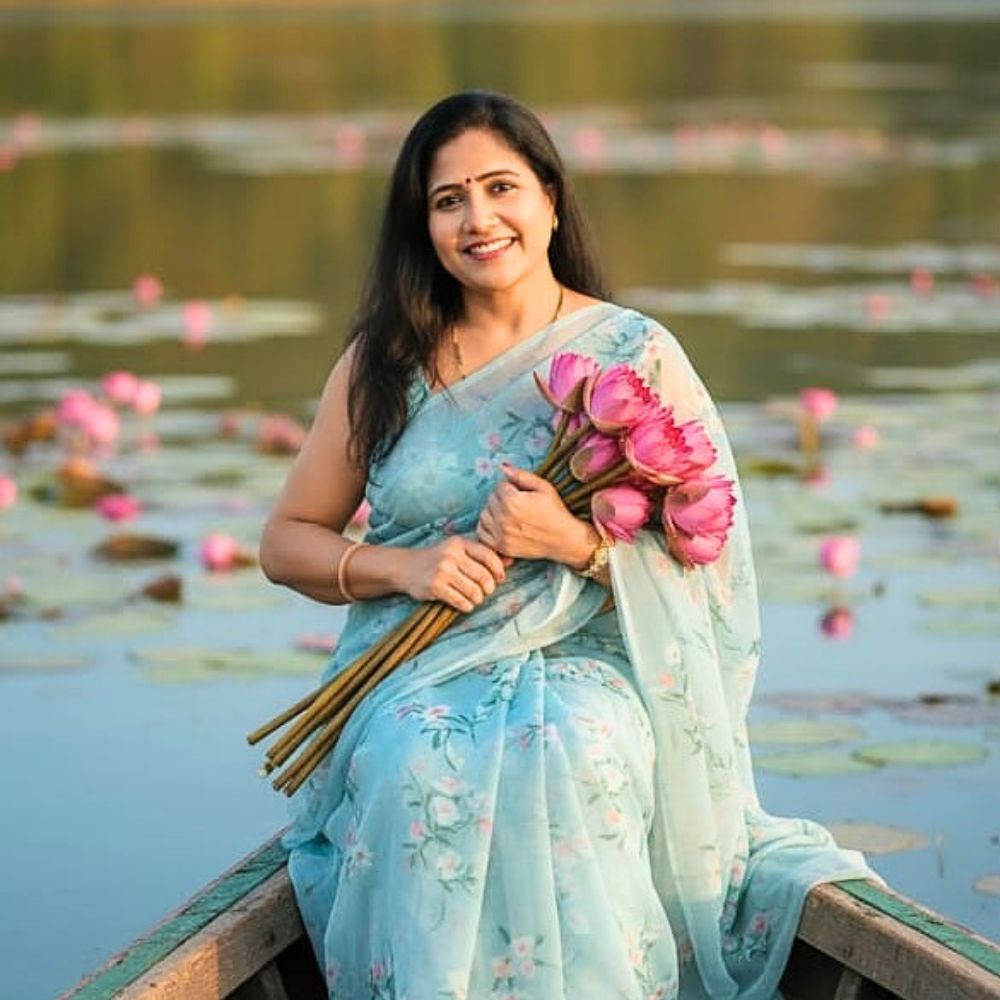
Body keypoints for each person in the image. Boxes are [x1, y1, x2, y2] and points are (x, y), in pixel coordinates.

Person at [259, 91, 876, 1000]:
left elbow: (715, 571)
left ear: (550, 199)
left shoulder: (635, 355)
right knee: (422, 758)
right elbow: (285, 541)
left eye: (501, 187)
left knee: (571, 746)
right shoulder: (385, 361)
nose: (479, 219)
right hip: (417, 668)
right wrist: (404, 566)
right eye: (448, 200)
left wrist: (578, 542)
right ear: (422, 225)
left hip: (593, 660)